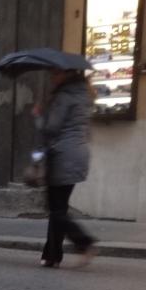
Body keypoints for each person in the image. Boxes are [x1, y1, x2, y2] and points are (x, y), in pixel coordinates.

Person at [36, 67, 97, 268]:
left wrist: (40, 115)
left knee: (56, 209)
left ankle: (84, 242)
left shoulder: (64, 96)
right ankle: (52, 255)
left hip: (62, 155)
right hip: (78, 153)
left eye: (55, 74)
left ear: (66, 75)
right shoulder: (84, 95)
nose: (52, 77)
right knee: (58, 208)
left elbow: (51, 128)